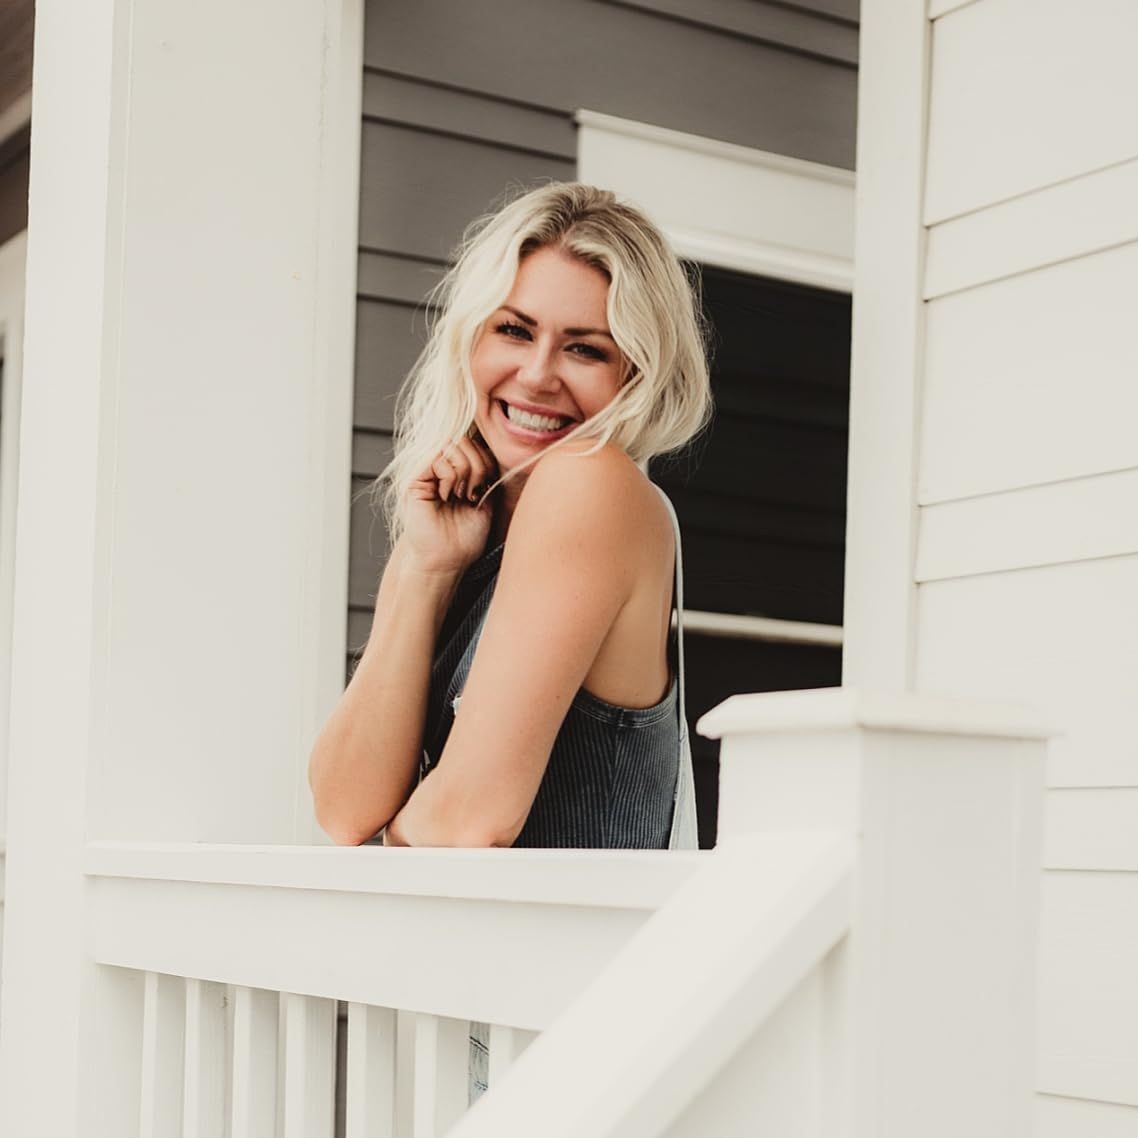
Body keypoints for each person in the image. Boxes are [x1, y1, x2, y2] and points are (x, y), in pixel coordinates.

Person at [308, 182, 711, 851]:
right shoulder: (464, 519)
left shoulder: (590, 483)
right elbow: (345, 807)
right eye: (515, 330)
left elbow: (467, 819)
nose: (535, 375)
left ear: (633, 374)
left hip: (576, 955)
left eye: (584, 348)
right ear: (472, 337)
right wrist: (430, 565)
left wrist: (411, 820)